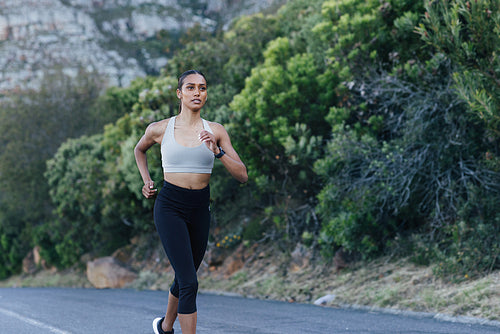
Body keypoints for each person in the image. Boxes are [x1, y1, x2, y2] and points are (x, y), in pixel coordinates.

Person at [134, 69, 248, 334]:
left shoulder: (216, 131)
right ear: (179, 93)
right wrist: (147, 180)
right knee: (189, 282)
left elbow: (242, 174)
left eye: (203, 88)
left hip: (199, 208)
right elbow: (140, 150)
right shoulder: (160, 129)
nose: (198, 92)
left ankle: (165, 326)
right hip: (170, 206)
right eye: (191, 88)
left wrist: (218, 152)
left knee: (185, 277)